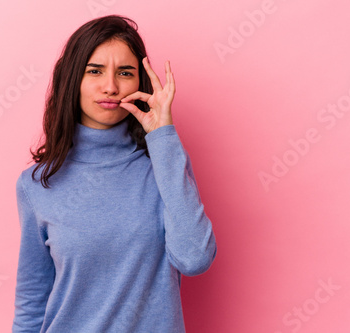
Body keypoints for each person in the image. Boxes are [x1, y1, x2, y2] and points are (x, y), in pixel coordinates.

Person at [12, 14, 217, 333]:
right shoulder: (37, 184)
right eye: (94, 71)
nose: (110, 86)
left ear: (140, 82)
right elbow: (33, 299)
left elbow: (194, 258)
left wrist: (162, 137)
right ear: (73, 79)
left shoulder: (163, 163)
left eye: (125, 72)